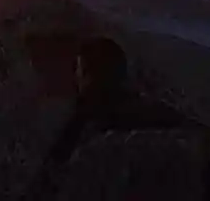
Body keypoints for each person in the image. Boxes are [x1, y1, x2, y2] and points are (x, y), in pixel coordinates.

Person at [32, 36, 202, 196]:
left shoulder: (83, 121)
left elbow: (51, 174)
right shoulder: (149, 109)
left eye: (80, 71)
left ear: (86, 74)